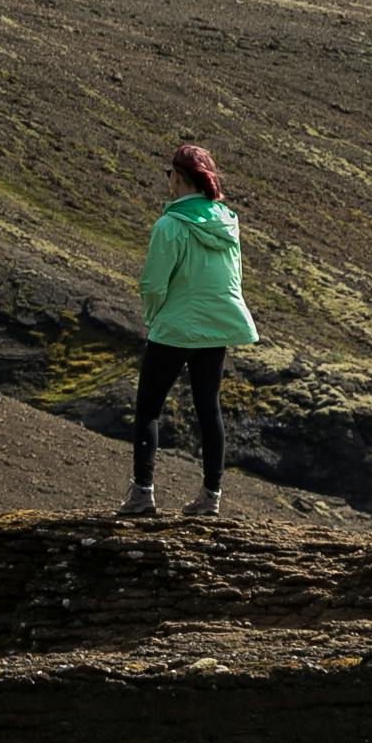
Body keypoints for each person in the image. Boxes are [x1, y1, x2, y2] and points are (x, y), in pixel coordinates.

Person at [116, 143, 258, 518]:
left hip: (175, 327)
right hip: (217, 327)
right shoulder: (229, 222)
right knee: (208, 409)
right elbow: (233, 278)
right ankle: (211, 498)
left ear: (178, 177)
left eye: (169, 174)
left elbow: (152, 283)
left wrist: (154, 316)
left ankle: (142, 494)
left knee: (149, 408)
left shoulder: (170, 225)